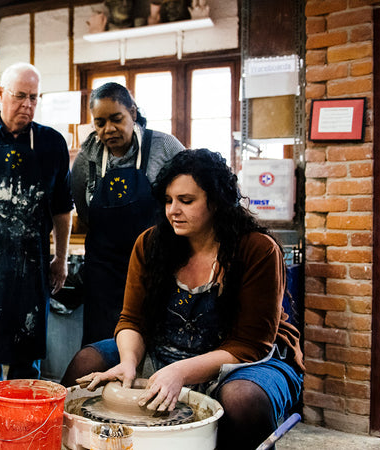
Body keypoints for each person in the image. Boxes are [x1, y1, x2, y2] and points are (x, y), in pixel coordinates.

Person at [62, 149, 304, 450]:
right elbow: (132, 320)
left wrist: (180, 371)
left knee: (242, 399)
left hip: (243, 362)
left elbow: (251, 345)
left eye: (186, 201)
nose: (173, 210)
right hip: (163, 348)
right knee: (87, 362)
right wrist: (128, 362)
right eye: (168, 200)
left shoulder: (257, 250)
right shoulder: (151, 244)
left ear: (216, 201)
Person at [0, 62, 73, 449]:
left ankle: (21, 426)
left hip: (30, 264)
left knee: (26, 353)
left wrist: (61, 258)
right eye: (19, 96)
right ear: (0, 96)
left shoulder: (52, 143)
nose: (27, 105)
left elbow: (61, 208)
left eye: (34, 97)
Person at [69, 82, 184, 346]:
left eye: (116, 119)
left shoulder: (165, 148)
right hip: (104, 274)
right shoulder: (87, 158)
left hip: (155, 267)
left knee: (154, 347)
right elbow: (84, 210)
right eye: (99, 123)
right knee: (101, 348)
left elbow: (192, 195)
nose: (108, 129)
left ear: (133, 112)